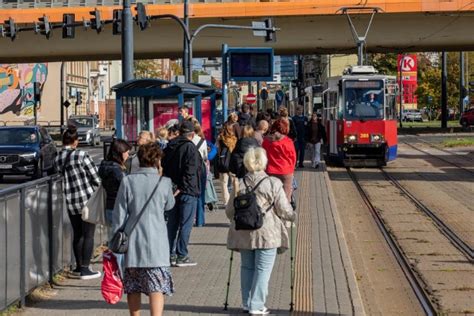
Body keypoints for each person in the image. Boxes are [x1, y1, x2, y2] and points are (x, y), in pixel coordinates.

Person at [226, 147, 296, 315]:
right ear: (264, 162)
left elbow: (229, 212)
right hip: (267, 234)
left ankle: (246, 302)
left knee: (247, 267)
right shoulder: (273, 183)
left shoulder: (239, 184)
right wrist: (292, 215)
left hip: (244, 233)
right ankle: (257, 306)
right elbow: (284, 210)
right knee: (263, 269)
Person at [111, 143, 175, 316]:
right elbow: (169, 205)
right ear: (157, 160)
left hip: (133, 241)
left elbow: (119, 214)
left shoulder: (128, 181)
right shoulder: (164, 182)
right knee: (156, 287)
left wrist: (114, 241)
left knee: (133, 287)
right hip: (157, 243)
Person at [55, 126, 101, 280]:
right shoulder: (81, 154)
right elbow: (95, 177)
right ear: (75, 141)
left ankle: (78, 267)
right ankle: (86, 269)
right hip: (86, 200)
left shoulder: (58, 157)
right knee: (89, 235)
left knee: (78, 234)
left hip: (70, 200)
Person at [161, 121, 201, 267]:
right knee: (186, 224)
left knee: (172, 224)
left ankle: (168, 253)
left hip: (171, 190)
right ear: (191, 134)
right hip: (187, 191)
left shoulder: (170, 146)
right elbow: (190, 171)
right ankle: (182, 255)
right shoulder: (190, 148)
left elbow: (164, 167)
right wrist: (183, 187)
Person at [98, 139, 132, 226]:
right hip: (120, 208)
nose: (128, 155)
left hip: (109, 206)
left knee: (114, 236)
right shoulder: (117, 170)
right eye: (126, 152)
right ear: (120, 152)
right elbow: (128, 188)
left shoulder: (106, 166)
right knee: (122, 237)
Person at [262, 119, 297, 201]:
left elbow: (263, 154)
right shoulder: (288, 141)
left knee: (271, 196)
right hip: (285, 171)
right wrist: (291, 170)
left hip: (270, 171)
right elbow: (293, 157)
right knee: (285, 198)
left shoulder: (266, 140)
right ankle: (284, 212)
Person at [216, 122, 239, 205]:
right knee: (234, 182)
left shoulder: (220, 138)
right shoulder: (234, 139)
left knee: (224, 183)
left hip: (223, 162)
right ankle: (235, 198)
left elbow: (218, 150)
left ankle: (226, 201)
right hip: (232, 162)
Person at [191, 120, 208, 227]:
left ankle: (191, 217)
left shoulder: (188, 141)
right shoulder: (202, 141)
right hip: (201, 168)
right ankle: (200, 220)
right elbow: (205, 157)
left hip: (190, 168)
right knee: (201, 194)